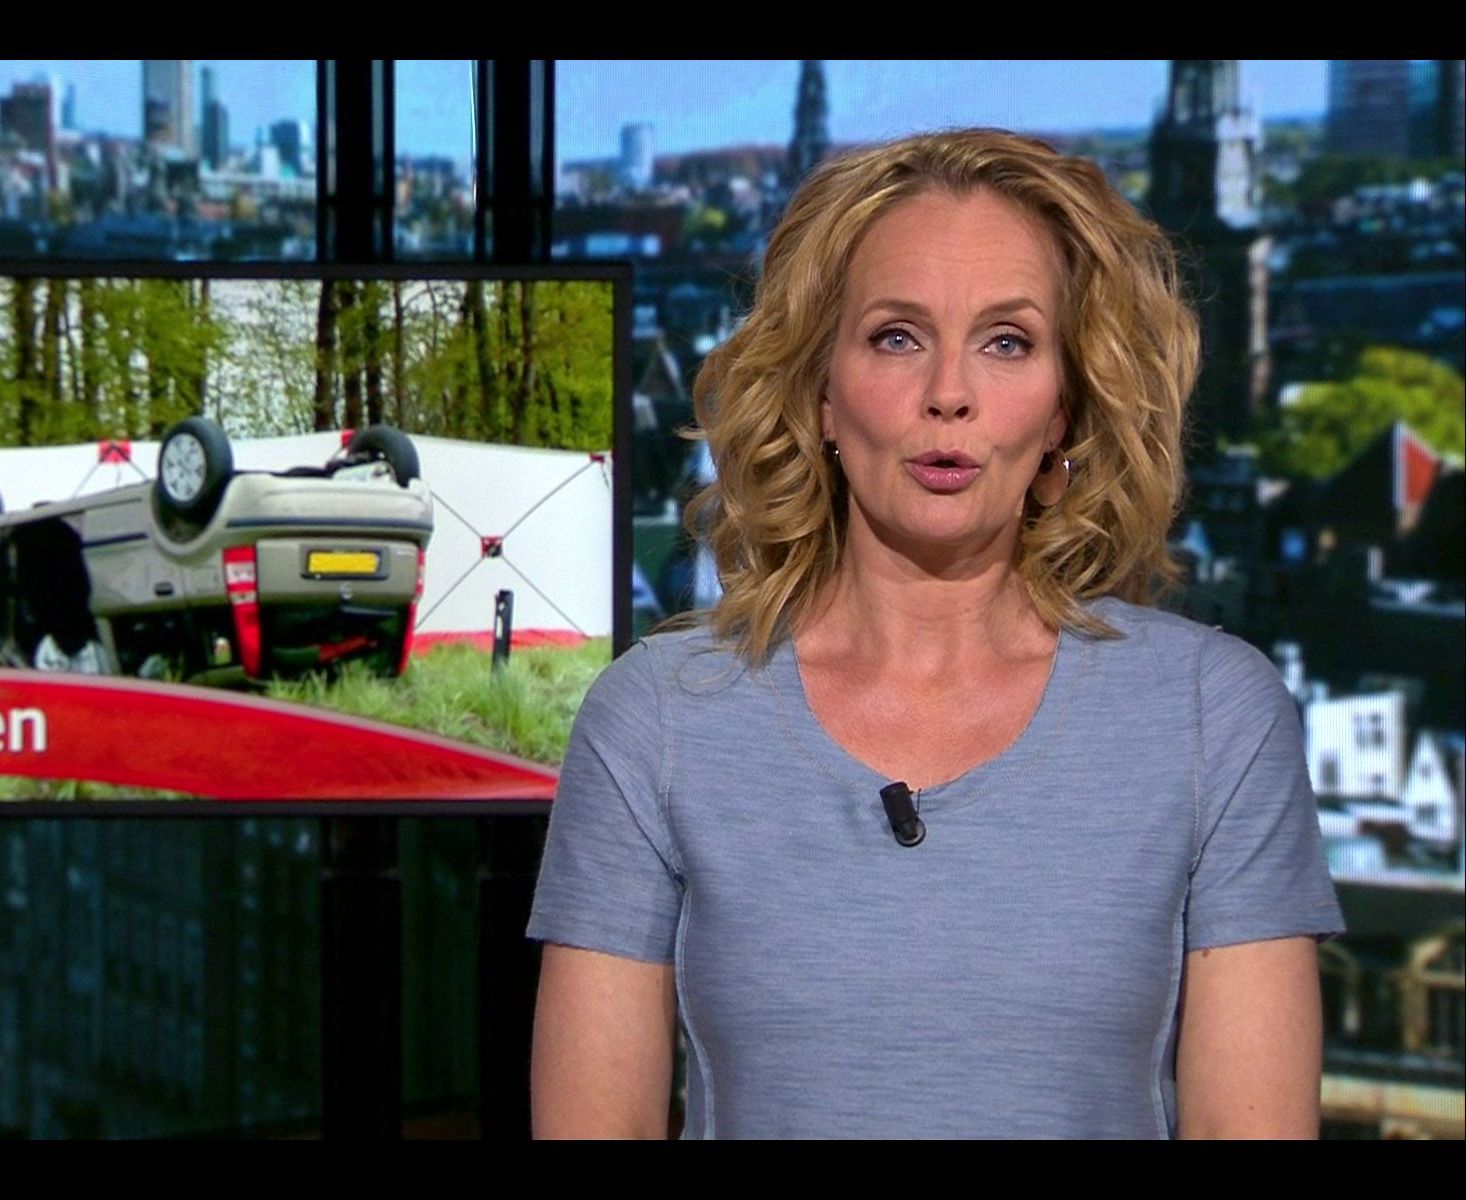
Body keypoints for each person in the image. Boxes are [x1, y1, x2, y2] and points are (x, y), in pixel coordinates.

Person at [525, 128, 1345, 1140]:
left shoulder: (1213, 717)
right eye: (896, 337)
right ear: (820, 393)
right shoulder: (656, 718)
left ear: (1063, 410)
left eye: (1008, 343)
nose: (948, 393)